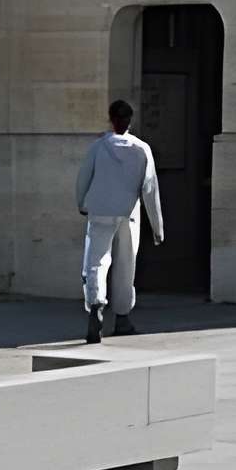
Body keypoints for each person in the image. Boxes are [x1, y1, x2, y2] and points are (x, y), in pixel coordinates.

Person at [75, 97, 163, 341]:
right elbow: (150, 189)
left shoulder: (98, 146)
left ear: (111, 119)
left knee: (96, 262)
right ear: (130, 121)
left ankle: (95, 305)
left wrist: (81, 203)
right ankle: (123, 318)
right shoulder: (142, 149)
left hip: (100, 210)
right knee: (126, 266)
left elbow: (84, 178)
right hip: (129, 213)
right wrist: (157, 226)